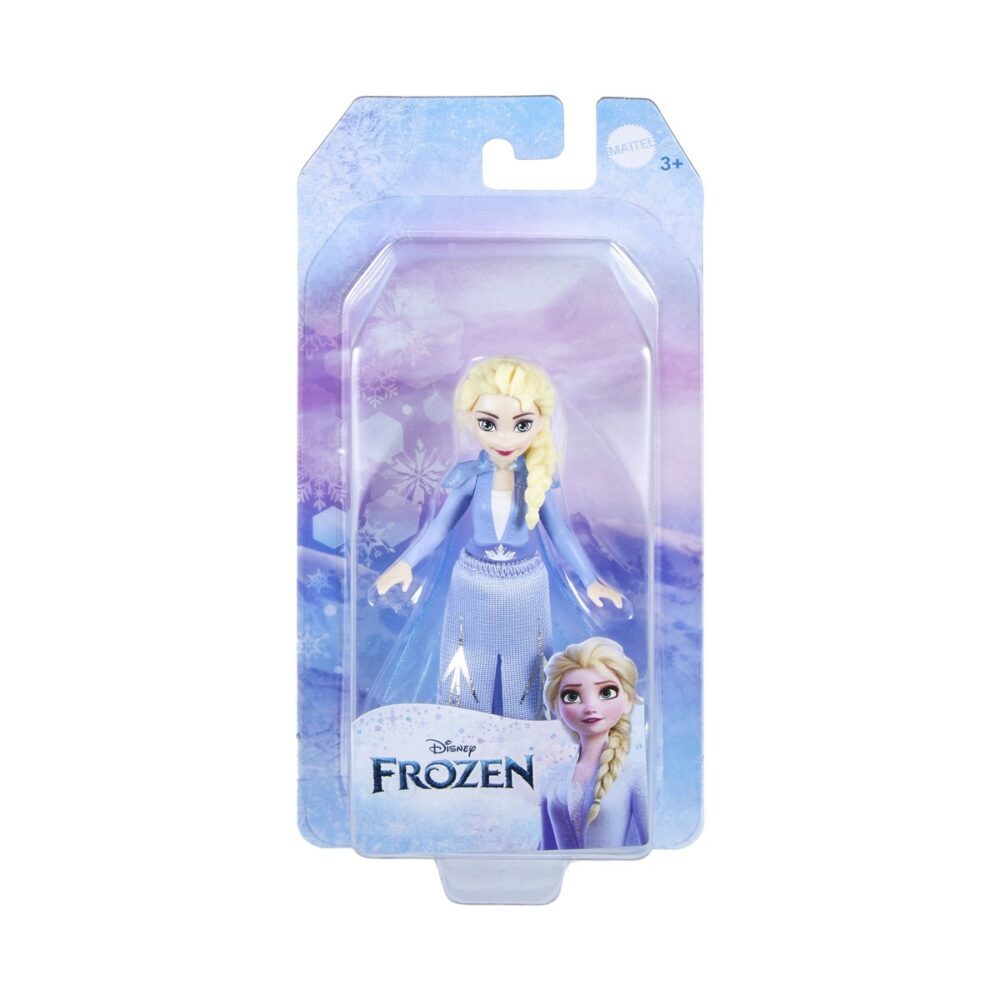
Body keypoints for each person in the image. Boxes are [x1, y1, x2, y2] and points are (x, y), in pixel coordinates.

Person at [374, 356, 624, 720]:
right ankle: (463, 733)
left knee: (528, 669)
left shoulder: (537, 480)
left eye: (522, 424)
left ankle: (525, 735)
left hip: (526, 585)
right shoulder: (470, 478)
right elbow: (439, 527)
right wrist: (405, 564)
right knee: (465, 665)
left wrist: (591, 581)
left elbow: (561, 534)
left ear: (541, 423)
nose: (505, 438)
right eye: (488, 424)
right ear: (470, 420)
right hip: (472, 582)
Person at [538, 636, 648, 848]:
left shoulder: (635, 774)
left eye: (606, 692)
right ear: (555, 707)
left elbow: (648, 845)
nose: (590, 707)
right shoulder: (550, 777)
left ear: (627, 700)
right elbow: (547, 849)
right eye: (572, 696)